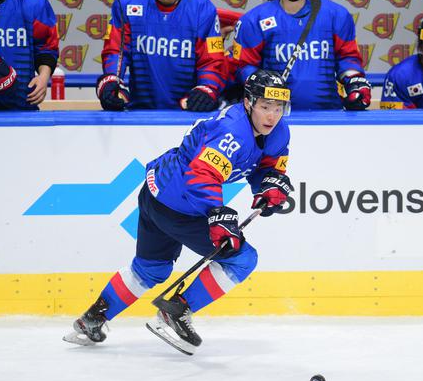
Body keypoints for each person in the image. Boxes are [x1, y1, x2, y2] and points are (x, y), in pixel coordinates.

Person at [64, 69, 293, 355]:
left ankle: (92, 319)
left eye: (278, 107)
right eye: (265, 107)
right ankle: (176, 310)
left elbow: (267, 165)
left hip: (156, 194)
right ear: (249, 103)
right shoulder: (232, 131)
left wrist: (266, 186)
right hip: (180, 203)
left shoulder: (278, 131)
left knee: (151, 268)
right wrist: (216, 212)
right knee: (242, 259)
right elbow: (202, 175)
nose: (272, 115)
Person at [234, 0, 371, 111]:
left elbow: (347, 58)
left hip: (329, 115)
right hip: (274, 117)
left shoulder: (337, 15)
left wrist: (355, 82)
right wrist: (259, 84)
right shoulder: (254, 20)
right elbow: (243, 66)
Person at [97, 0, 226, 111]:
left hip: (186, 111)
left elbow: (211, 61)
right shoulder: (128, 4)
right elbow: (116, 52)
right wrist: (111, 80)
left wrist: (207, 88)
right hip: (138, 111)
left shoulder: (202, 9)